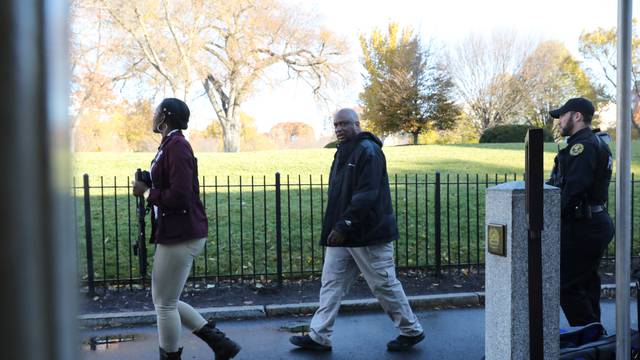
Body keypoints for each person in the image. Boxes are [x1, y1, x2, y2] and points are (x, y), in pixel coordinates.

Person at [289, 108, 425, 353]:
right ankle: (319, 335)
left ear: (357, 124)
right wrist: (338, 226)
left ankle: (411, 330)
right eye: (336, 125)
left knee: (384, 284)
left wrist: (344, 225)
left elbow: (367, 195)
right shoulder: (344, 151)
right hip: (344, 234)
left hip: (368, 234)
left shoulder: (368, 151)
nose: (339, 129)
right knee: (331, 283)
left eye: (344, 124)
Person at [133, 98, 241, 360]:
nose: (153, 115)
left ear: (165, 117)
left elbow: (180, 196)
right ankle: (221, 344)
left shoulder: (178, 146)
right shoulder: (169, 145)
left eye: (157, 111)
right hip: (175, 232)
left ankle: (172, 356)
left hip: (182, 234)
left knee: (165, 304)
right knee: (165, 300)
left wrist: (147, 192)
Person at [547, 97, 614, 327]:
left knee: (565, 284)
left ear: (576, 116)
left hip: (583, 224)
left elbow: (573, 189)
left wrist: (549, 218)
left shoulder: (582, 146)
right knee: (585, 284)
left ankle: (589, 335)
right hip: (592, 222)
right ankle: (594, 338)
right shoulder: (592, 142)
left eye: (562, 116)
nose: (559, 121)